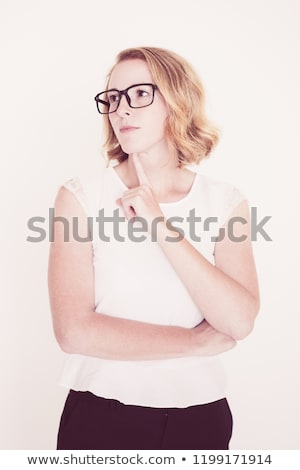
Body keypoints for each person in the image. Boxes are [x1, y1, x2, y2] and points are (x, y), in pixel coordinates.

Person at [48, 46, 260, 450]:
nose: (121, 109)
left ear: (176, 101)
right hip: (99, 416)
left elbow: (238, 322)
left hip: (202, 419)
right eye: (113, 98)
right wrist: (192, 342)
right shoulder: (81, 196)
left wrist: (158, 223)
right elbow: (73, 331)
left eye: (140, 94)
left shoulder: (225, 201)